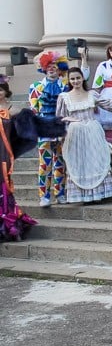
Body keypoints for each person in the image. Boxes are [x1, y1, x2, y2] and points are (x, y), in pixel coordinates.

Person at [56, 68, 112, 203]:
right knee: (79, 161)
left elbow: (109, 105)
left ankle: (98, 194)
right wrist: (70, 122)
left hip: (93, 131)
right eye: (72, 79)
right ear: (69, 81)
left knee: (95, 159)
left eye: (78, 78)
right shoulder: (64, 97)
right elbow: (60, 117)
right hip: (75, 133)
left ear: (82, 78)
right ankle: (83, 196)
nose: (76, 81)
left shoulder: (92, 94)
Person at [28, 51, 71, 206]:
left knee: (60, 162)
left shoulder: (65, 87)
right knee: (45, 163)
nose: (52, 69)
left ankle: (59, 193)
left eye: (54, 66)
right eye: (49, 66)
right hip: (44, 128)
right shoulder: (36, 87)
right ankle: (44, 196)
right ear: (44, 68)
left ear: (60, 69)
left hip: (60, 127)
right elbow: (34, 110)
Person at [0, 77, 39, 241]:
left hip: (3, 154)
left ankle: (7, 223)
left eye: (0, 89)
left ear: (6, 91)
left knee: (3, 185)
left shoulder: (14, 109)